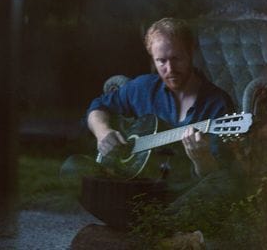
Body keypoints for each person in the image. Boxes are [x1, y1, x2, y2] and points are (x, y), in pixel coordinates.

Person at [87, 17, 235, 178]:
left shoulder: (218, 103)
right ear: (153, 60)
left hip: (184, 190)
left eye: (176, 59)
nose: (170, 69)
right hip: (138, 181)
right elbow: (98, 107)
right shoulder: (142, 87)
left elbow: (219, 179)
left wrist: (202, 159)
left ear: (191, 53)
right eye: (161, 61)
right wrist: (103, 132)